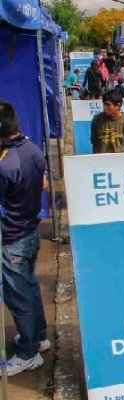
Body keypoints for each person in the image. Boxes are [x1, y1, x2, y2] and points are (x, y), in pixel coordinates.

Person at [0, 100, 49, 376]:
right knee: (28, 288)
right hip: (29, 231)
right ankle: (38, 337)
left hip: (13, 238)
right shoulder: (32, 150)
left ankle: (29, 353)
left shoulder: (6, 165)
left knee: (19, 296)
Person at [90, 89, 124, 153]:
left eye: (108, 105)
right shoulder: (97, 120)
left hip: (119, 161)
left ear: (118, 106)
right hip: (101, 161)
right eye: (104, 104)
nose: (104, 107)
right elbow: (94, 144)